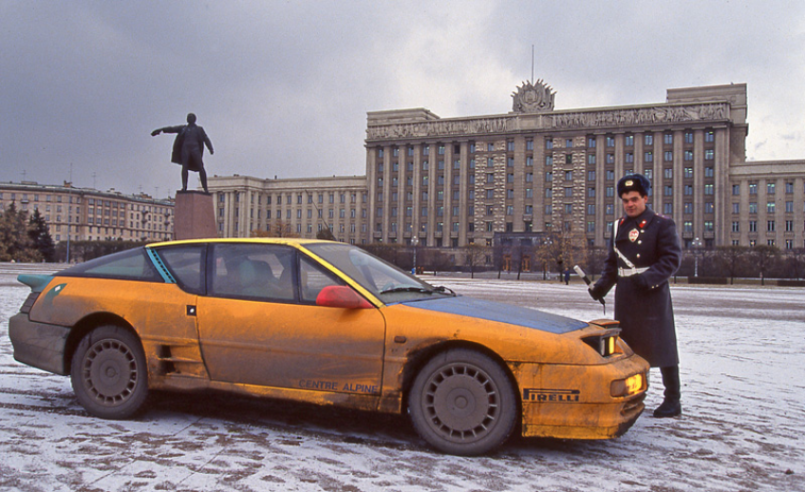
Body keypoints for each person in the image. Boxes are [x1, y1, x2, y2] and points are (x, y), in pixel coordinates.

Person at [589, 174, 683, 418]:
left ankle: (673, 400)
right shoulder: (619, 226)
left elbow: (671, 259)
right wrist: (601, 287)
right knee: (629, 348)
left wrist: (649, 279)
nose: (630, 204)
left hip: (652, 294)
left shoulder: (662, 224)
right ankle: (633, 395)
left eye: (634, 199)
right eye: (625, 200)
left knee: (662, 346)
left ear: (645, 198)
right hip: (627, 295)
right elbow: (613, 262)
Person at [151, 113, 214, 192]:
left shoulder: (199, 129)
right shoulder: (183, 128)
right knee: (185, 167)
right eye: (188, 117)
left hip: (195, 149)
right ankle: (184, 186)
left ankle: (205, 188)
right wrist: (161, 130)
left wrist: (210, 148)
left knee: (201, 167)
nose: (189, 118)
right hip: (185, 149)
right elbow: (171, 129)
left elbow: (206, 138)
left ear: (194, 119)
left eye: (191, 117)